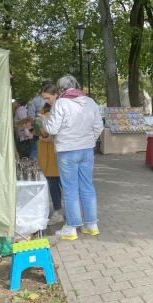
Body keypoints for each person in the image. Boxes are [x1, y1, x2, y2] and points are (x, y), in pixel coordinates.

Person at [42, 75, 104, 240]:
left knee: (70, 189)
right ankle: (91, 225)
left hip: (67, 151)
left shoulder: (61, 103)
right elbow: (99, 127)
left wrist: (44, 121)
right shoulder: (90, 102)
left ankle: (71, 227)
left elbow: (52, 129)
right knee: (87, 186)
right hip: (87, 150)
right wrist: (89, 140)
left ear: (61, 89)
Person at [38, 83, 62, 225]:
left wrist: (47, 135)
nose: (46, 101)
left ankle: (60, 212)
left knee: (57, 184)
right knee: (54, 183)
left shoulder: (58, 109)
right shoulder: (47, 110)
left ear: (55, 95)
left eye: (47, 98)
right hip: (48, 154)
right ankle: (59, 211)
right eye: (44, 98)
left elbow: (53, 131)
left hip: (56, 154)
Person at [28, 80, 54, 160]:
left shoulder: (35, 100)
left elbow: (30, 116)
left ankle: (35, 170)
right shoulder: (56, 99)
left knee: (35, 150)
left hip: (39, 128)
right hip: (47, 129)